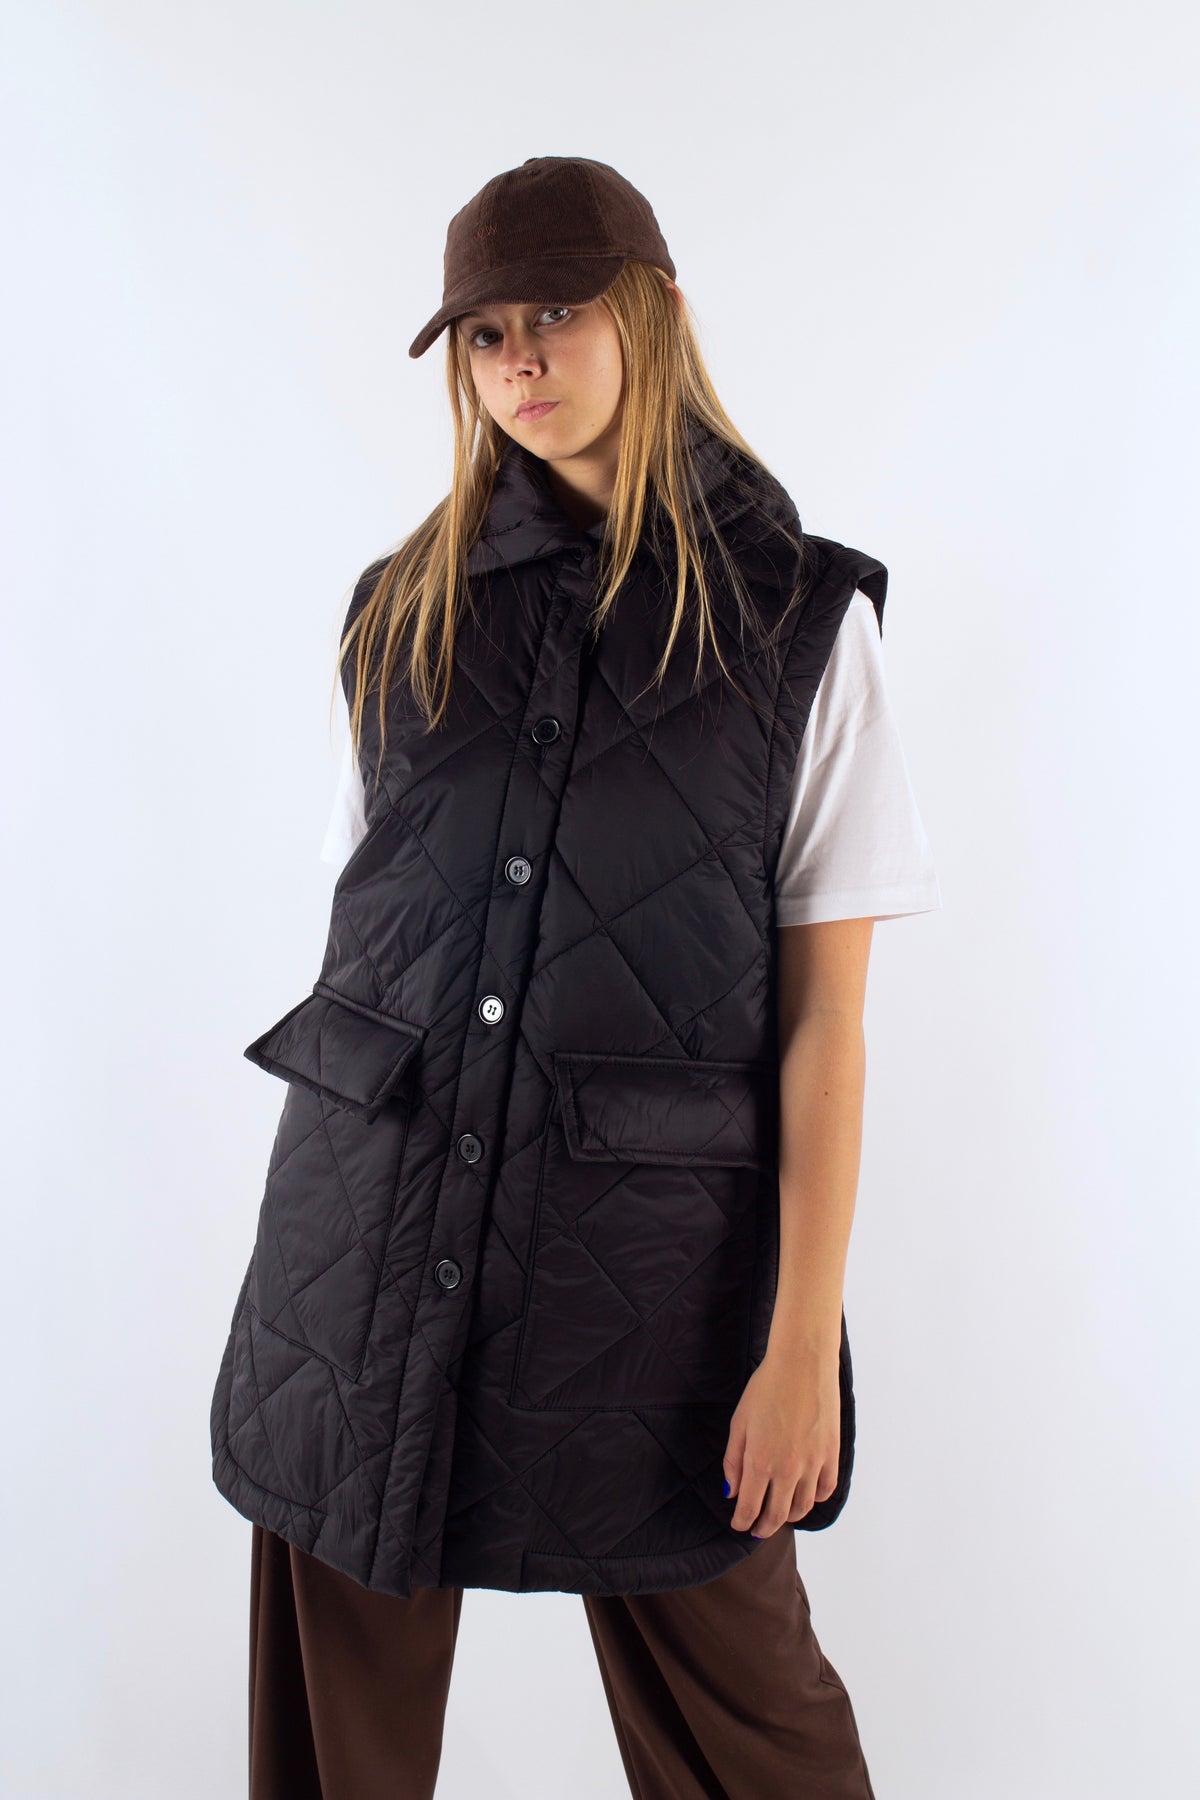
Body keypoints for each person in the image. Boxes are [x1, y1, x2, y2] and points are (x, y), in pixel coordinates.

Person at [211, 155, 942, 1799]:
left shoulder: (800, 626)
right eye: (483, 335)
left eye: (555, 313)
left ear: (656, 309)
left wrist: (800, 1342)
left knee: (755, 1726)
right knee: (334, 1750)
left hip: (655, 1289)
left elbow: (829, 1024)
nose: (519, 360)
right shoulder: (401, 615)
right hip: (362, 1263)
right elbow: (374, 948)